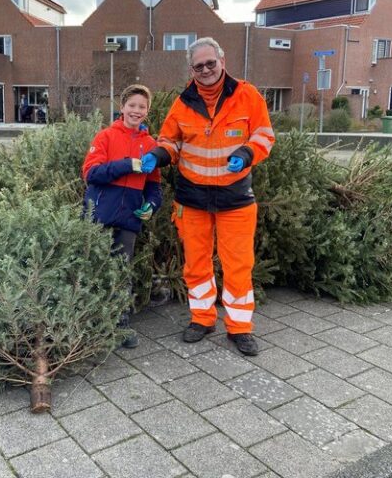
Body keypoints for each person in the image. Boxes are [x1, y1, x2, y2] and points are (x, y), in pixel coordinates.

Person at [140, 37, 275, 356]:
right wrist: (160, 154)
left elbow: (264, 135)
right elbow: (170, 140)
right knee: (196, 264)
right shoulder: (183, 102)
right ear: (192, 69)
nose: (205, 70)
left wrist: (247, 152)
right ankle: (202, 319)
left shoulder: (247, 95)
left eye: (210, 63)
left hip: (235, 198)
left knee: (238, 265)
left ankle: (239, 327)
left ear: (222, 61)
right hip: (193, 199)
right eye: (199, 66)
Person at [82, 84, 163, 349]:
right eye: (132, 105)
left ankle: (120, 325)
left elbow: (154, 186)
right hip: (98, 217)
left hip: (129, 219)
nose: (136, 111)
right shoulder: (105, 136)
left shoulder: (151, 146)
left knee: (121, 272)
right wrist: (128, 164)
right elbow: (91, 174)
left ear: (147, 112)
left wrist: (151, 205)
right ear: (122, 107)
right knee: (92, 269)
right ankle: (88, 323)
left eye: (142, 107)